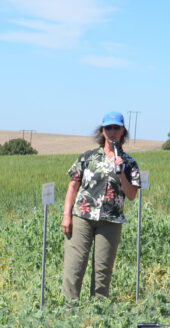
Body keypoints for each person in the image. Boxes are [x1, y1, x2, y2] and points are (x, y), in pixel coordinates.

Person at [61, 111, 141, 301]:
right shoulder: (88, 157)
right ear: (102, 131)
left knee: (102, 271)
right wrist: (66, 215)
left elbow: (131, 195)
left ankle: (98, 315)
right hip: (82, 216)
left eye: (116, 128)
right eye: (108, 128)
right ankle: (68, 314)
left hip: (110, 220)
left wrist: (120, 173)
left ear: (123, 131)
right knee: (74, 266)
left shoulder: (129, 163)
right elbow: (73, 186)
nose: (112, 132)